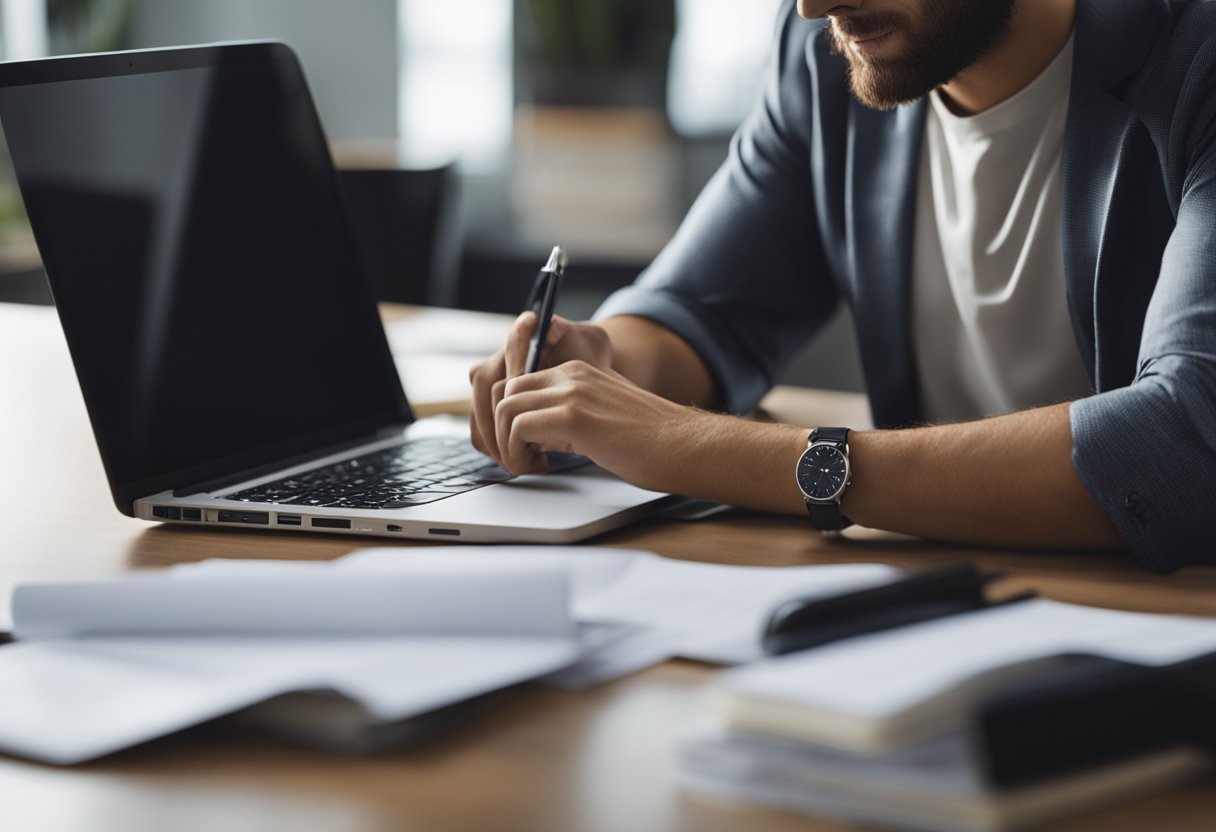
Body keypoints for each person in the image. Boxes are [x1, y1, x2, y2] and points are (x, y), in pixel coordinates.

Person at [469, 0, 1216, 574]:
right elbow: (702, 307)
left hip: (1153, 627)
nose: (813, 7)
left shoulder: (1197, 59)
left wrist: (686, 446)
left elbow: (1188, 437)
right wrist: (599, 367)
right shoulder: (830, 60)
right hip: (928, 598)